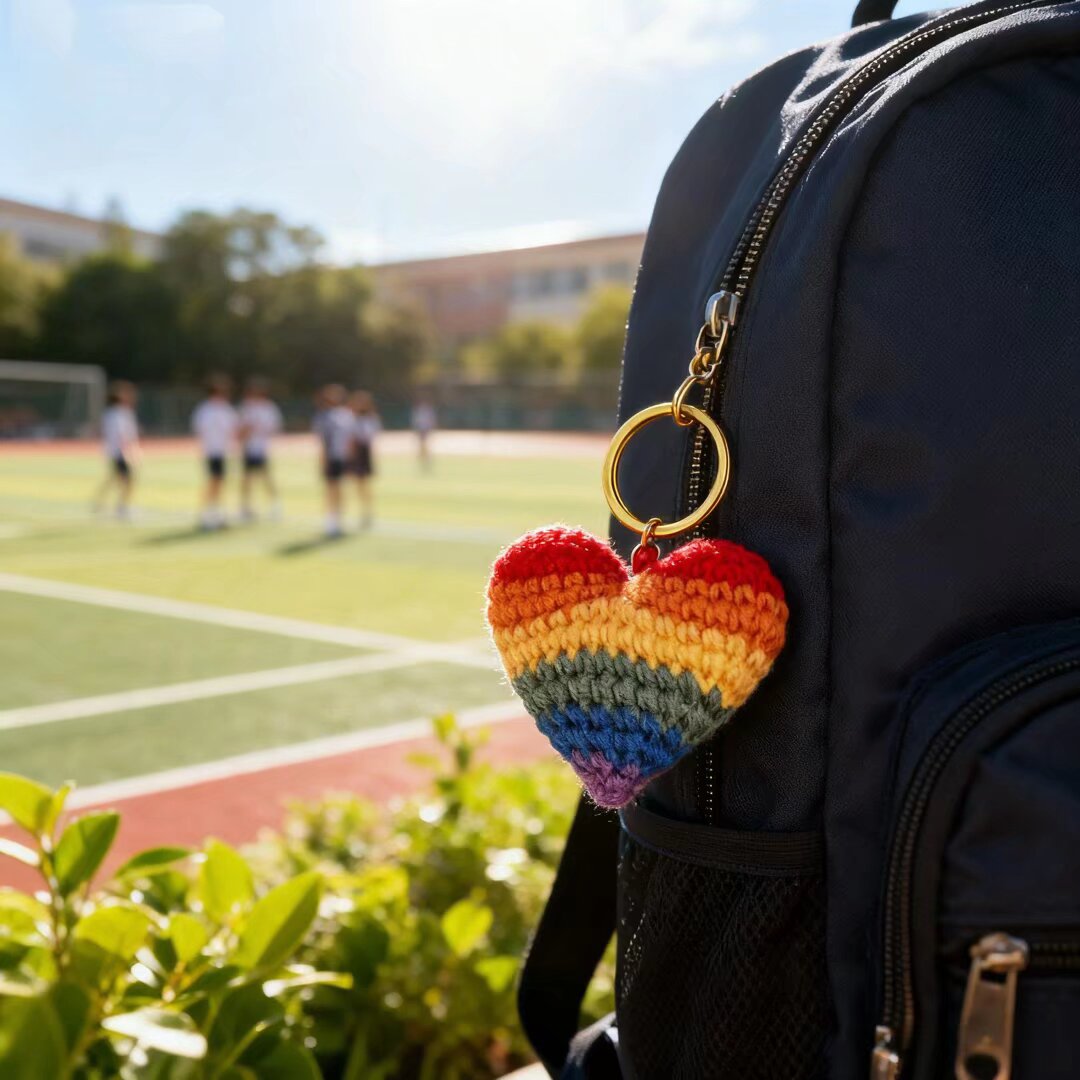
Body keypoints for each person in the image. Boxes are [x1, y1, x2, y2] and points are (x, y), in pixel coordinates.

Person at [191, 374, 238, 530]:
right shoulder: (209, 410)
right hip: (212, 451)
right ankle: (208, 514)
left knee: (218, 483)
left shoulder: (221, 409)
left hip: (220, 451)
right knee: (214, 483)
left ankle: (214, 513)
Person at [238, 377, 283, 521]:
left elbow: (274, 428)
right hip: (249, 448)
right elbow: (241, 430)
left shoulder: (268, 408)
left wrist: (255, 430)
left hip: (261, 448)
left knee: (265, 477)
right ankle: (246, 507)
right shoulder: (247, 407)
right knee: (247, 479)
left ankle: (275, 505)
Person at [312, 384, 354, 538]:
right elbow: (323, 440)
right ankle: (331, 519)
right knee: (331, 489)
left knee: (339, 489)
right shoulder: (323, 416)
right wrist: (323, 459)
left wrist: (350, 458)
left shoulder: (345, 415)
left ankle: (339, 518)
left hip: (341, 457)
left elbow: (349, 439)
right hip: (331, 457)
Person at [93, 380, 139, 519]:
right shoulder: (120, 414)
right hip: (119, 452)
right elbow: (122, 435)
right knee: (128, 480)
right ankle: (121, 507)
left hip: (113, 451)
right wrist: (128, 452)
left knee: (114, 478)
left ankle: (99, 502)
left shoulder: (112, 413)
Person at [350, 390, 381, 529]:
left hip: (363, 453)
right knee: (357, 484)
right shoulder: (351, 418)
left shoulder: (370, 419)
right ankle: (362, 510)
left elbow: (369, 436)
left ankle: (367, 511)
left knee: (364, 484)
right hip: (355, 453)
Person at [411, 392, 437, 471]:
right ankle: (423, 461)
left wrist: (429, 429)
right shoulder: (418, 410)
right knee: (422, 446)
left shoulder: (428, 410)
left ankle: (427, 461)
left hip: (426, 430)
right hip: (421, 430)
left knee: (425, 446)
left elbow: (431, 420)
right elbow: (416, 421)